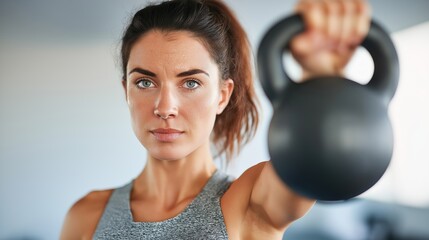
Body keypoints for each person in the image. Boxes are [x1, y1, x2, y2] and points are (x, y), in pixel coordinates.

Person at [60, 0, 370, 239]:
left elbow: (312, 164)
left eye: (191, 83)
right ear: (126, 90)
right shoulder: (87, 214)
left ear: (222, 95)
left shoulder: (250, 203)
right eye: (144, 82)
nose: (165, 107)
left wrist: (319, 76)